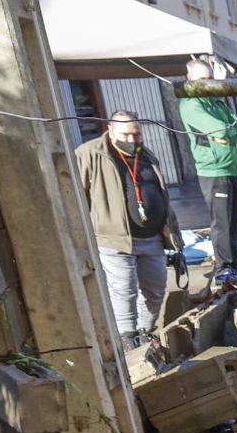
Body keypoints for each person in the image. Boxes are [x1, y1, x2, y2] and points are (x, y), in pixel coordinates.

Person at [75, 111, 179, 345]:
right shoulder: (90, 153)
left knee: (156, 288)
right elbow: (74, 196)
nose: (132, 140)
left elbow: (162, 194)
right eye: (126, 135)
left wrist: (173, 235)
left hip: (152, 238)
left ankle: (145, 331)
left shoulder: (147, 155)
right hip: (114, 238)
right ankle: (127, 337)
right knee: (124, 289)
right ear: (111, 131)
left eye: (137, 134)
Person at [176, 55, 237, 282]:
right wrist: (225, 133)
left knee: (235, 221)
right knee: (222, 222)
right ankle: (223, 268)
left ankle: (233, 265)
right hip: (213, 170)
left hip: (231, 167)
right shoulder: (191, 104)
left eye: (209, 79)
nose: (207, 84)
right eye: (202, 80)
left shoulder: (216, 103)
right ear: (189, 79)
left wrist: (228, 135)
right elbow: (219, 129)